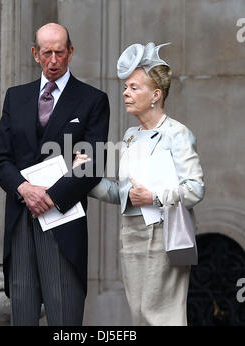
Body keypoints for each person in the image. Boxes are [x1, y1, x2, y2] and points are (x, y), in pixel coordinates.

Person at [75, 42, 205, 325]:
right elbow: (122, 193)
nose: (125, 93)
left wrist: (155, 197)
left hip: (165, 232)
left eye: (134, 87)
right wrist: (84, 177)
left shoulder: (177, 134)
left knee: (162, 317)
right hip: (131, 234)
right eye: (125, 87)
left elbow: (195, 188)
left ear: (156, 95)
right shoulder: (131, 135)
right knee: (140, 316)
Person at [0, 23, 110, 326]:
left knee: (64, 320)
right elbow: (1, 158)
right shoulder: (15, 97)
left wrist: (49, 197)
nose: (53, 60)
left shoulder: (92, 99)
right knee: (22, 314)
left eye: (59, 52)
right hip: (20, 219)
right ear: (35, 54)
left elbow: (92, 164)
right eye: (46, 53)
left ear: (70, 52)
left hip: (63, 220)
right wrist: (24, 189)